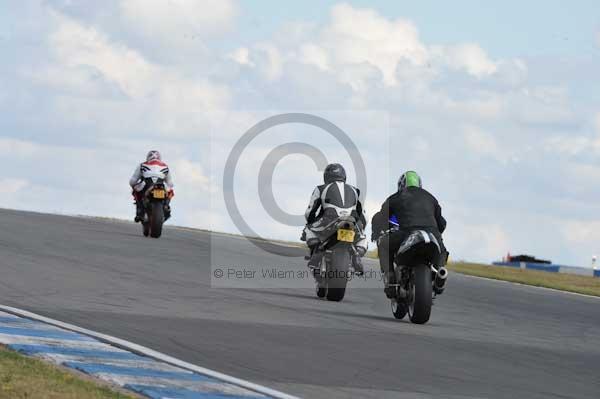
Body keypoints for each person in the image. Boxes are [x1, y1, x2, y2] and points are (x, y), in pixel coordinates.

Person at [372, 171, 447, 298]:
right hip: (432, 234)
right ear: (419, 184)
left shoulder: (396, 197)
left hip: (408, 232)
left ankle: (390, 279)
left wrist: (376, 232)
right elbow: (442, 223)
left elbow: (380, 218)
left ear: (401, 185)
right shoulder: (431, 198)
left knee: (384, 244)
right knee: (442, 249)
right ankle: (440, 272)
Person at [302, 163, 368, 274]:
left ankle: (318, 253)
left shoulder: (320, 189)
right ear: (344, 176)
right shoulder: (355, 190)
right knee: (362, 238)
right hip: (351, 222)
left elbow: (310, 212)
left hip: (329, 220)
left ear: (326, 177)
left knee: (308, 230)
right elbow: (364, 215)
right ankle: (356, 256)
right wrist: (361, 229)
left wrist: (310, 223)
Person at [129, 150, 174, 222]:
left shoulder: (142, 165)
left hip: (147, 185)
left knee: (135, 190)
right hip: (161, 185)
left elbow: (132, 181)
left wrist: (133, 185)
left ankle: (139, 210)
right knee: (171, 191)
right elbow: (170, 183)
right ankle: (166, 206)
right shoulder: (165, 166)